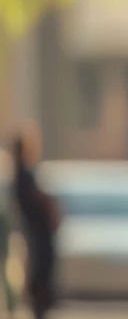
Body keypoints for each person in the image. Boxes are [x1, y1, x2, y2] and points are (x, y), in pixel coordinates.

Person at [11, 125, 60, 319]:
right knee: (40, 273)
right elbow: (39, 200)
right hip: (37, 233)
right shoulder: (23, 176)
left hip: (38, 232)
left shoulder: (24, 174)